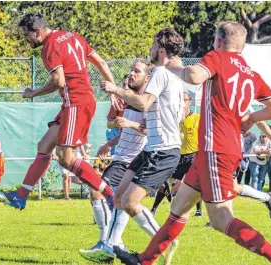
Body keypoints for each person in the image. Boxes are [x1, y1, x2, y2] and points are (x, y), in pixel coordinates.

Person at [114, 21, 271, 265]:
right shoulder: (250, 73)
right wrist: (252, 117)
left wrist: (173, 68)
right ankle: (145, 260)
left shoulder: (218, 57)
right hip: (214, 150)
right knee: (179, 207)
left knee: (220, 220)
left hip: (216, 149)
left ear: (219, 41)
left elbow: (193, 75)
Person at [0, 13, 120, 209]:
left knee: (66, 159)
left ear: (38, 32)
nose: (26, 39)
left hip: (76, 103)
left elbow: (58, 81)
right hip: (75, 102)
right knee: (44, 145)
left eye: (27, 35)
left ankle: (111, 195)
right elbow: (102, 63)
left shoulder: (50, 47)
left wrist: (33, 93)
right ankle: (20, 196)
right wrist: (114, 89)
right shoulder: (73, 36)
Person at [95, 28, 184, 264]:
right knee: (118, 197)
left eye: (154, 45)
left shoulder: (162, 72)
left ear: (161, 50)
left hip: (162, 150)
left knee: (130, 203)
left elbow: (144, 104)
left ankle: (165, 239)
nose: (150, 49)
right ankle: (110, 245)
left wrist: (116, 89)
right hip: (151, 149)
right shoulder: (175, 76)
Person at [79, 59, 152, 262]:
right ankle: (112, 245)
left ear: (148, 77)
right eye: (131, 70)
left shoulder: (147, 101)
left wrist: (129, 123)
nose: (131, 73)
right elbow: (124, 129)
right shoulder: (130, 100)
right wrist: (110, 143)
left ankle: (107, 243)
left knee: (99, 192)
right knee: (121, 202)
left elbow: (149, 131)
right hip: (121, 157)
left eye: (136, 71)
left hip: (132, 160)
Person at [150, 91, 202, 217]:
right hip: (177, 154)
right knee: (165, 180)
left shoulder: (197, 118)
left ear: (190, 102)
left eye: (185, 99)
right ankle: (154, 209)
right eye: (180, 100)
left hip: (193, 154)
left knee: (196, 182)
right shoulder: (174, 119)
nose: (182, 102)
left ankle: (198, 210)